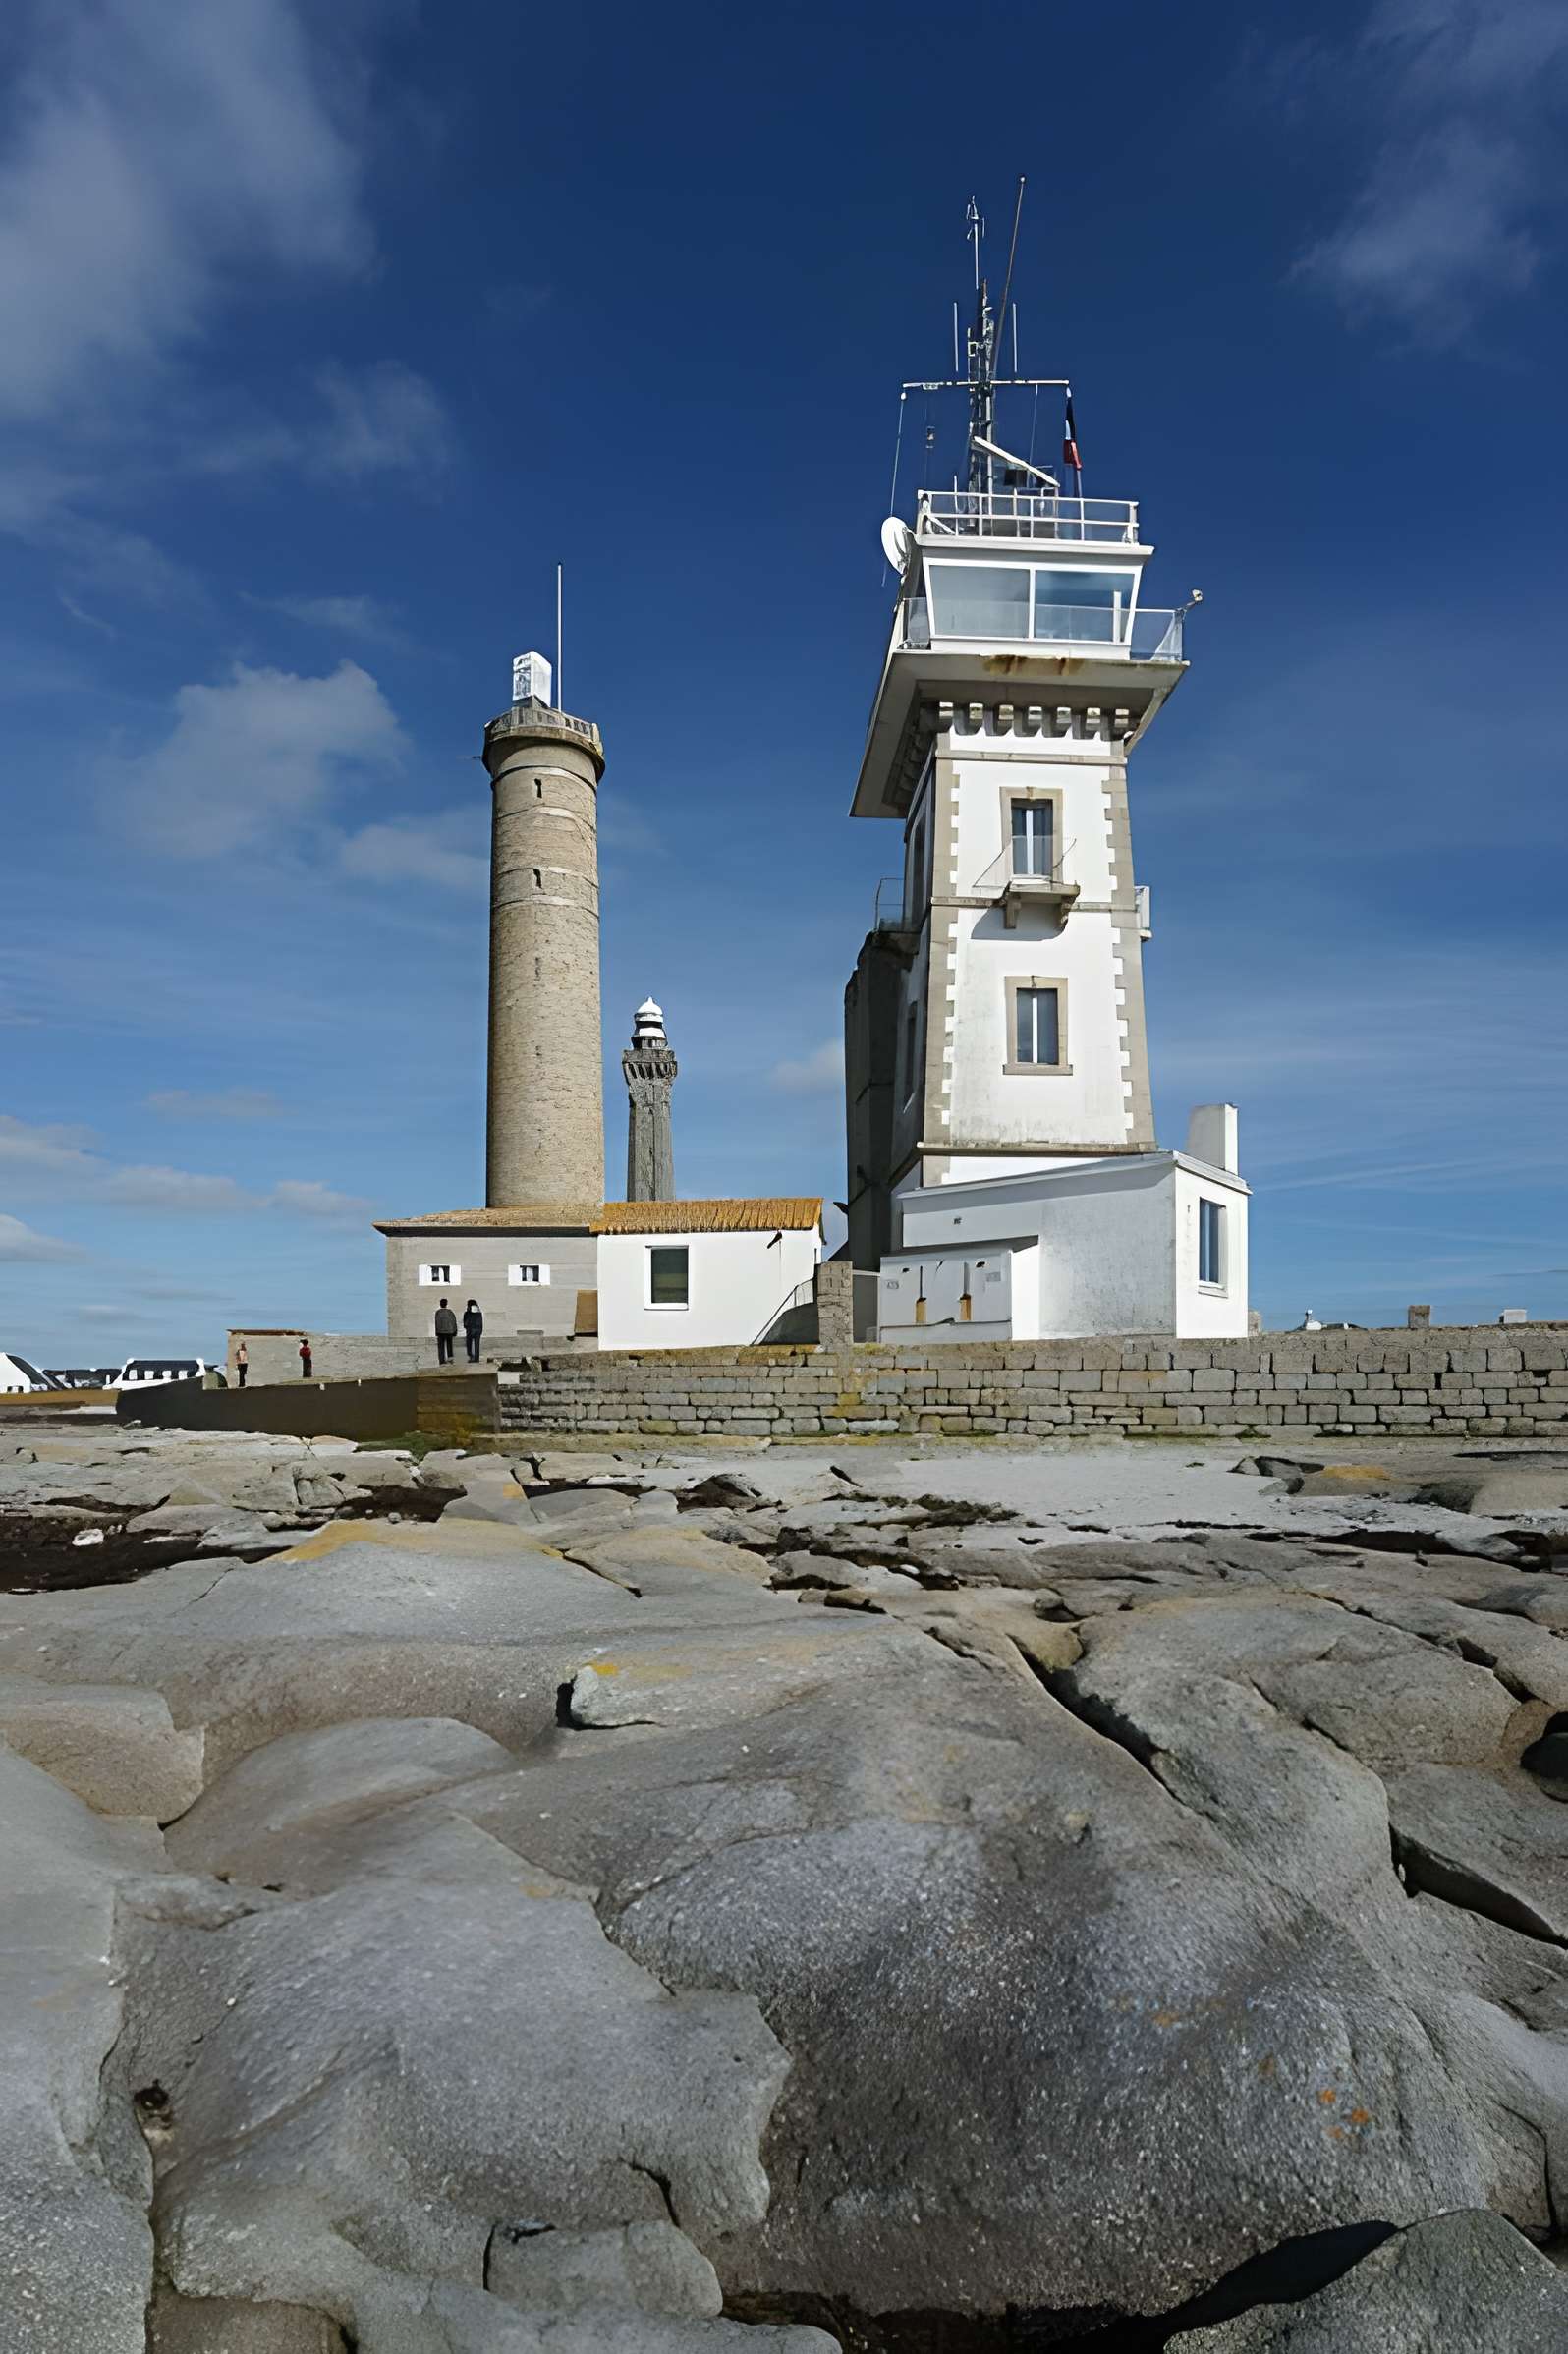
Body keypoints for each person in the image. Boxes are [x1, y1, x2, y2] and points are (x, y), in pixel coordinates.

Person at [433, 1296, 458, 1366]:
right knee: (449, 1346)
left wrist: (436, 1332)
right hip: (449, 1332)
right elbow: (453, 1322)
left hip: (440, 1332)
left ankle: (442, 1361)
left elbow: (437, 1322)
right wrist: (455, 1331)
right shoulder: (450, 1312)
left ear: (440, 1304)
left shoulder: (438, 1312)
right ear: (446, 1304)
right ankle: (450, 1360)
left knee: (441, 1347)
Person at [462, 1298, 483, 1364]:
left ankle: (471, 1357)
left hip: (470, 1330)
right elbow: (481, 1322)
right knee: (477, 1345)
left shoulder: (467, 1313)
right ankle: (476, 1358)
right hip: (478, 1330)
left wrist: (466, 1327)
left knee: (469, 1344)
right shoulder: (479, 1313)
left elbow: (465, 1323)